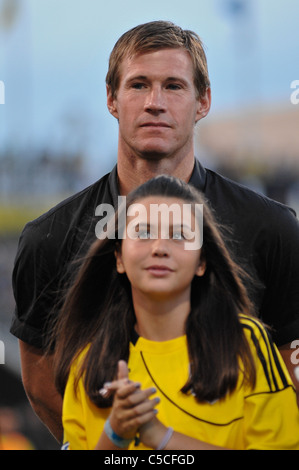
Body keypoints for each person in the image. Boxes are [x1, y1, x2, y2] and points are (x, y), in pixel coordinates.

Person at [10, 21, 299, 443]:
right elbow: (41, 381)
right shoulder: (49, 238)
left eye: (174, 86)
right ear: (112, 99)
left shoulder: (271, 227)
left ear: (203, 102)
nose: (154, 103)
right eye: (139, 85)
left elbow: (292, 360)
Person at [54, 175, 299, 450]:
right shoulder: (88, 363)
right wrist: (115, 434)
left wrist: (162, 437)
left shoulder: (244, 342)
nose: (159, 248)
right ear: (119, 257)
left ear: (201, 261)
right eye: (143, 233)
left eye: (179, 234)